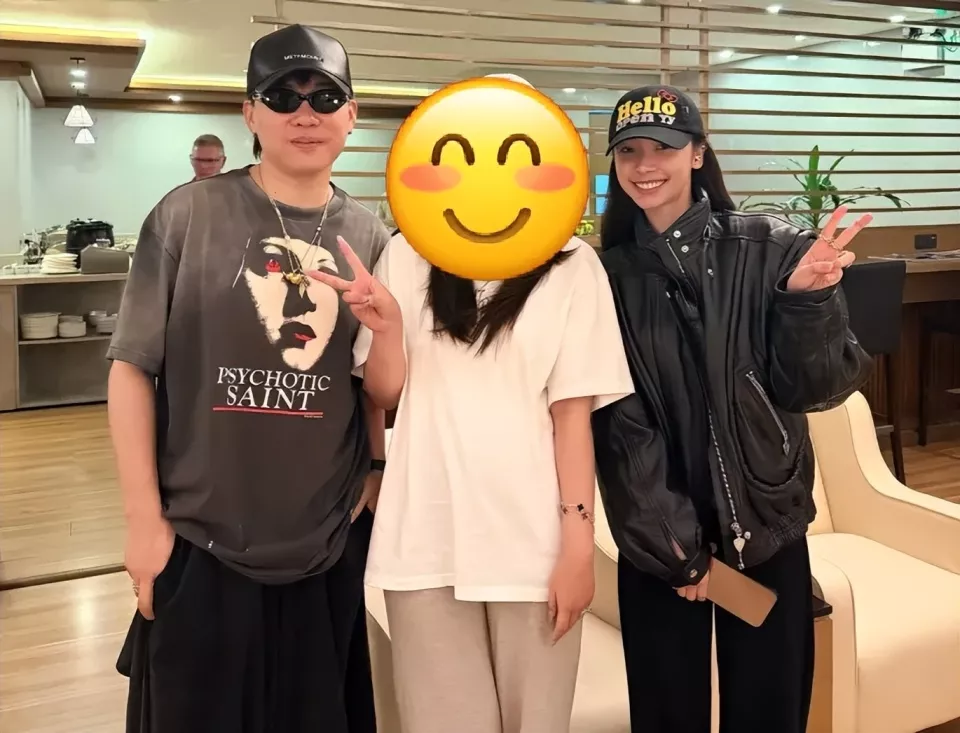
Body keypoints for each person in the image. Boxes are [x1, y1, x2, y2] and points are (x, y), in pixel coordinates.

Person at [312, 75, 635, 733]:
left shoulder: (575, 266)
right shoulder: (406, 254)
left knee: (536, 720)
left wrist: (578, 548)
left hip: (533, 542)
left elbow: (572, 418)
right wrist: (388, 329)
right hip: (424, 534)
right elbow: (387, 394)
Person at [107, 24, 397, 733]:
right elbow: (132, 368)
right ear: (250, 113)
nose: (305, 113)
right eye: (282, 96)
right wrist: (144, 521)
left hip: (324, 541)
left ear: (351, 115)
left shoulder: (369, 237)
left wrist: (373, 468)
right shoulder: (187, 215)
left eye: (324, 97)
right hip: (200, 538)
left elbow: (373, 389)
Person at [591, 85, 873, 733]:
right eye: (629, 151)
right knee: (667, 713)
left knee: (772, 710)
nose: (645, 165)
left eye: (663, 147)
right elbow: (619, 424)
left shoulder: (771, 247)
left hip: (766, 522)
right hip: (660, 539)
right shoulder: (606, 277)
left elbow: (817, 389)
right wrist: (675, 549)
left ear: (697, 153)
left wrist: (808, 302)